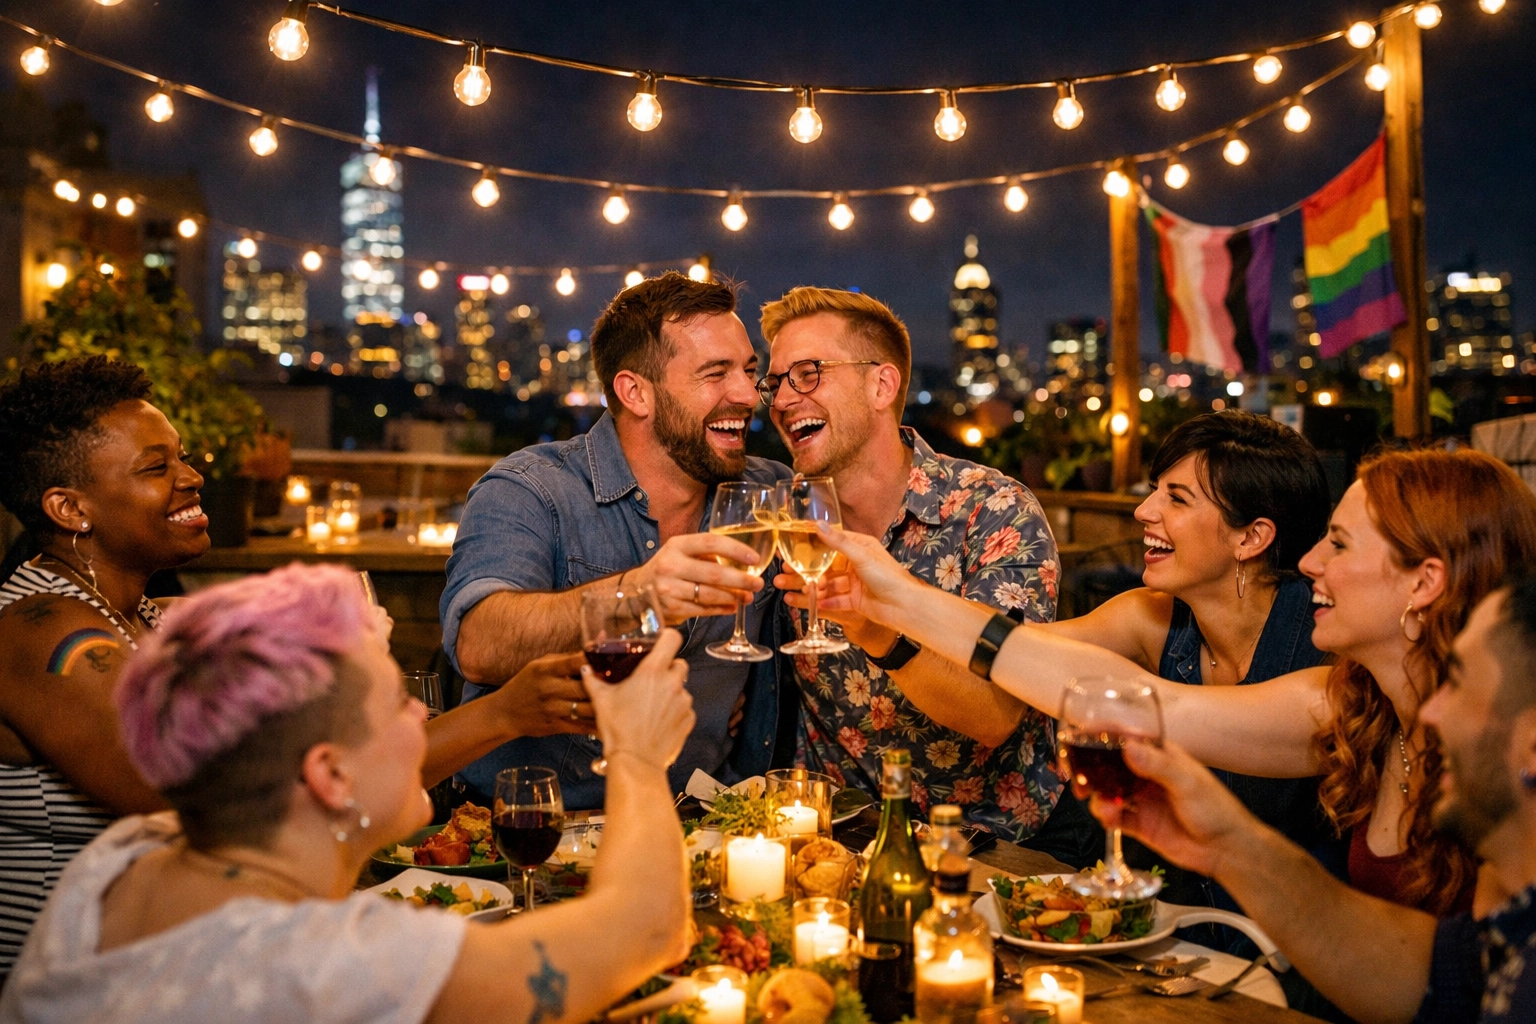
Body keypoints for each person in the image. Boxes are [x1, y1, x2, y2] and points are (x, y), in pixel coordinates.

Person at [0, 356, 597, 978]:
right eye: (157, 468)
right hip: (80, 986)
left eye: (182, 456)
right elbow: (231, 799)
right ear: (70, 508)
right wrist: (502, 713)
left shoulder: (139, 617)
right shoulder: (42, 632)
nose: (194, 476)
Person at [806, 446, 1536, 915]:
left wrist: (900, 601)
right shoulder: (1351, 705)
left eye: (1338, 546)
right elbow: (1112, 689)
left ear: (1425, 582)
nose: (1310, 563)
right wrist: (890, 610)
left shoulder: (1509, 754)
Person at [0, 562, 695, 1023]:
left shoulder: (119, 861)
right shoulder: (318, 967)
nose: (421, 716)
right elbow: (648, 928)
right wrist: (636, 750)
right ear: (329, 775)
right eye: (396, 701)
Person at [1084, 573, 1536, 1024]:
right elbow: (1431, 976)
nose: (1433, 714)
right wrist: (1228, 846)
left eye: (1456, 684)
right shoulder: (1513, 926)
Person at [443, 272, 791, 809]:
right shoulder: (534, 488)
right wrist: (638, 594)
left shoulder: (768, 493)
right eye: (715, 373)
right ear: (635, 392)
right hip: (539, 835)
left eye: (749, 371)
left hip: (706, 830)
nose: (747, 395)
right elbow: (478, 644)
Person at [759, 287, 1060, 842]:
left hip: (991, 851)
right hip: (832, 842)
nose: (780, 400)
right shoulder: (781, 516)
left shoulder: (992, 511)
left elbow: (997, 714)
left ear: (882, 384)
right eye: (775, 382)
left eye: (806, 373)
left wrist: (881, 633)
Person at [1042, 411, 1337, 936]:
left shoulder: (1324, 642)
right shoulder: (1152, 616)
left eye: (1176, 499)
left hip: (1303, 960)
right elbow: (1019, 651)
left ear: (1251, 538)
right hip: (1176, 941)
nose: (1142, 510)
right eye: (1156, 489)